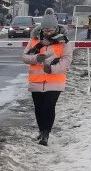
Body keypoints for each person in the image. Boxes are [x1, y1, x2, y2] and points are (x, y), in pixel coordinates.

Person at [22, 8, 71, 146]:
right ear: (42, 29)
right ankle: (41, 130)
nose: (48, 33)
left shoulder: (64, 42)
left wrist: (52, 68)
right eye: (46, 30)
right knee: (38, 107)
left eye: (51, 31)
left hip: (55, 80)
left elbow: (67, 61)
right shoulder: (34, 40)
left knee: (49, 106)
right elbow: (25, 57)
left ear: (56, 29)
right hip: (36, 81)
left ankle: (46, 134)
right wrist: (37, 57)